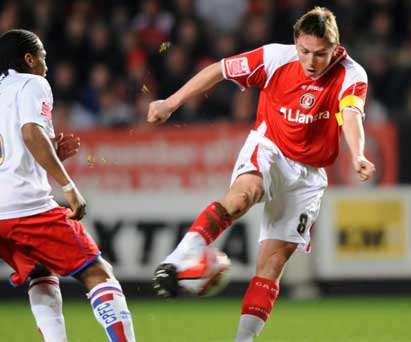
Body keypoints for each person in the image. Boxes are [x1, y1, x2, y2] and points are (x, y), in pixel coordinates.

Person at [148, 7, 375, 341]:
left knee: (271, 265)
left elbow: (351, 113)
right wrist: (171, 102)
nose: (311, 61)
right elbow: (219, 70)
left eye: (321, 54)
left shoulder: (352, 75)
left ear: (336, 47)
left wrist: (357, 154)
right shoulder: (274, 58)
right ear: (296, 41)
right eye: (305, 52)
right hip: (270, 148)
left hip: (309, 176)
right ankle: (178, 259)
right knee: (243, 196)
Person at [0, 29, 136, 342]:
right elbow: (31, 133)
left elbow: (15, 148)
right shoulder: (33, 83)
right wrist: (68, 185)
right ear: (29, 58)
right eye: (43, 57)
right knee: (97, 273)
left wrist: (48, 153)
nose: (47, 65)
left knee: (40, 271)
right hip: (25, 206)